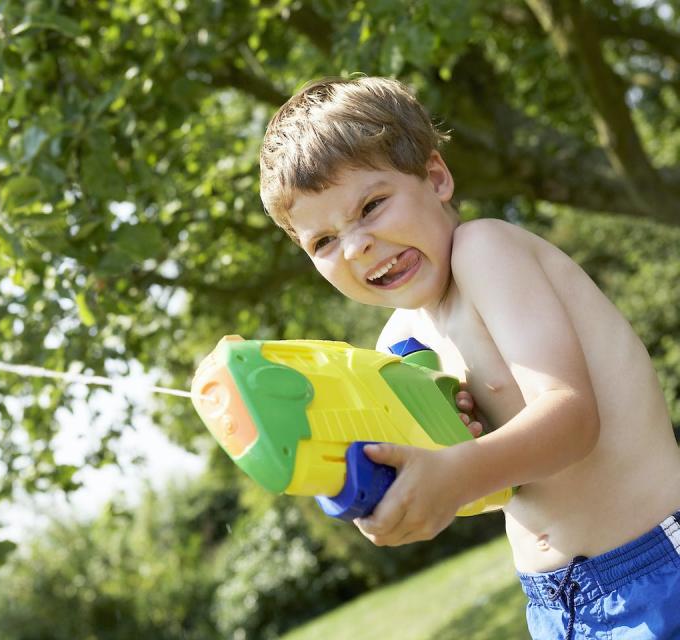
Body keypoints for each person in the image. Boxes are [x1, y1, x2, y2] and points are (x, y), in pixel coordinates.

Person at [258, 76, 680, 639]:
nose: (356, 245)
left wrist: (455, 472)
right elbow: (488, 488)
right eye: (323, 242)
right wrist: (400, 493)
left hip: (656, 568)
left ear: (435, 177)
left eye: (371, 205)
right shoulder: (397, 347)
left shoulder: (486, 252)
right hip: (556, 608)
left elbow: (573, 418)